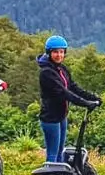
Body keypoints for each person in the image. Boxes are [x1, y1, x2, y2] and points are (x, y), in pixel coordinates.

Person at [37, 35, 101, 163]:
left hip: (62, 116)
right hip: (50, 118)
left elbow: (73, 87)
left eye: (61, 52)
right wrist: (86, 103)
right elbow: (64, 93)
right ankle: (50, 174)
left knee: (60, 151)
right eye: (55, 52)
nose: (59, 55)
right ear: (49, 53)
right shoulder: (46, 73)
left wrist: (93, 97)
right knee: (53, 154)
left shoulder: (61, 69)